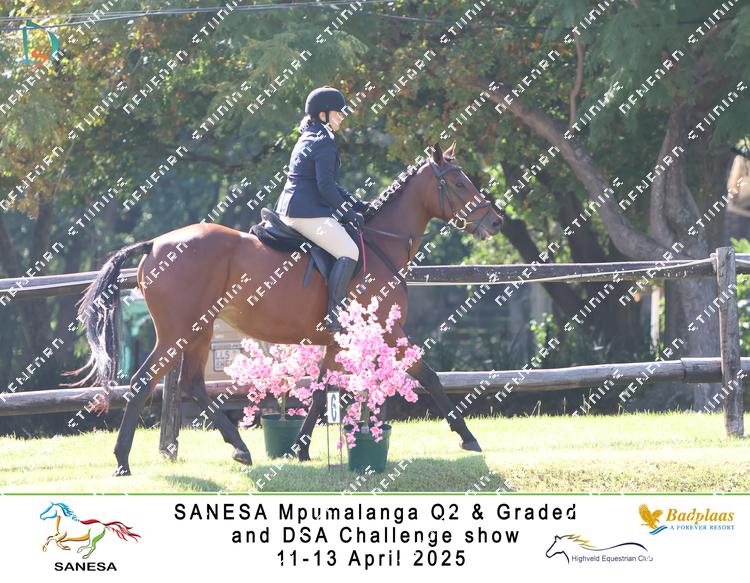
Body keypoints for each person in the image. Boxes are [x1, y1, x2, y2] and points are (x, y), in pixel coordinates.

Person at [275, 86, 369, 333]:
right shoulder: (324, 142)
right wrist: (349, 214)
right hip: (306, 212)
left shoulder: (309, 136)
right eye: (338, 113)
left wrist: (357, 204)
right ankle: (335, 315)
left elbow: (330, 184)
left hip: (292, 207)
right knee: (349, 250)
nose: (342, 118)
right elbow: (325, 187)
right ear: (323, 114)